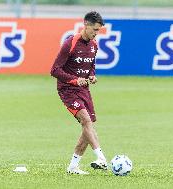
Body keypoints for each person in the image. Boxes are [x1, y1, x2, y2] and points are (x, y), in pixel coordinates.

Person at [50, 11, 107, 175]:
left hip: (83, 90)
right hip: (67, 90)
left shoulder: (94, 45)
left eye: (98, 31)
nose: (96, 34)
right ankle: (101, 158)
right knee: (86, 121)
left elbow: (90, 66)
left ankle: (73, 166)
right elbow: (54, 70)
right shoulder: (71, 43)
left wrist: (92, 75)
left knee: (87, 127)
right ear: (86, 25)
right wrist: (74, 80)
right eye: (95, 30)